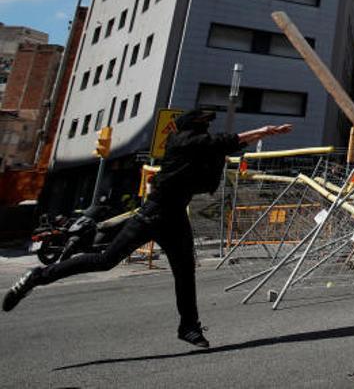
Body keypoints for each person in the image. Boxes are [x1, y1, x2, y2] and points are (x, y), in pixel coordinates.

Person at [3, 109, 292, 348]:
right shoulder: (183, 143)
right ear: (191, 128)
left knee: (185, 271)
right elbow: (220, 142)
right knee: (105, 261)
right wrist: (262, 131)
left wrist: (261, 134)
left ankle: (189, 327)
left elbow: (224, 145)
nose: (207, 129)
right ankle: (37, 276)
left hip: (175, 216)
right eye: (203, 125)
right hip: (153, 215)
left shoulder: (198, 148)